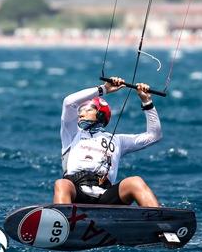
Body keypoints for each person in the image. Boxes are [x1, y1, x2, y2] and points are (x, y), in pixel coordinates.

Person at [53, 77, 162, 207]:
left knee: (135, 182)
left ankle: (160, 220)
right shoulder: (71, 133)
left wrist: (147, 101)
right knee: (61, 184)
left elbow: (154, 135)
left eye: (88, 110)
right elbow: (68, 102)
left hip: (105, 195)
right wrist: (104, 89)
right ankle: (63, 221)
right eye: (80, 111)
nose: (81, 114)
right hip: (76, 192)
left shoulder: (117, 140)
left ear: (100, 114)